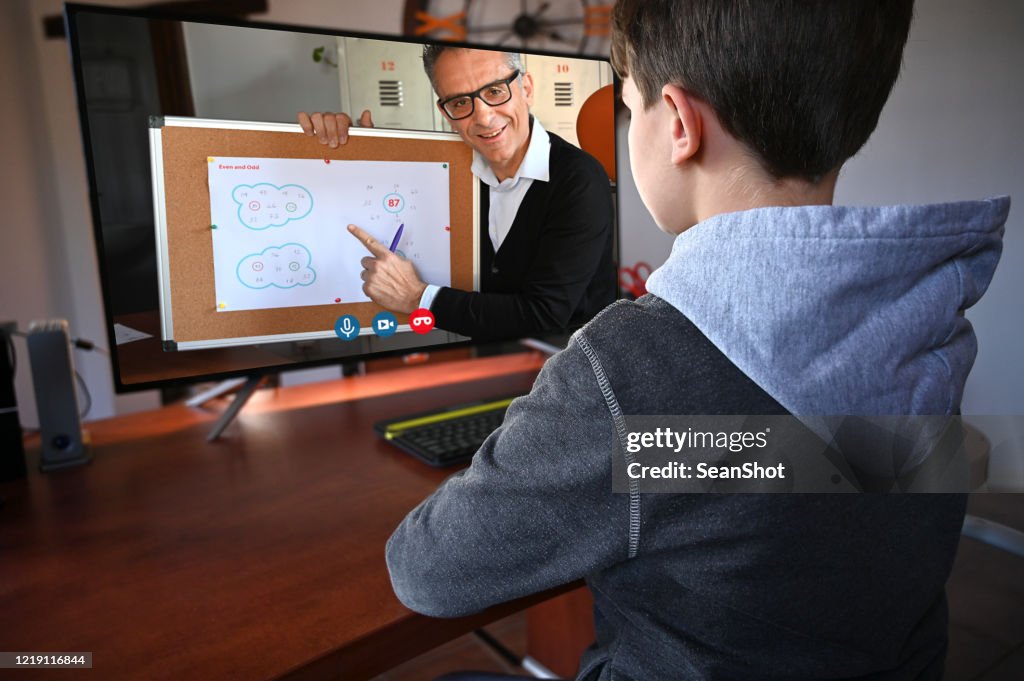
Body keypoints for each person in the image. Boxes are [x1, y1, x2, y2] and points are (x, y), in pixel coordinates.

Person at [384, 1, 1011, 680]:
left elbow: (427, 571)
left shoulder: (631, 369)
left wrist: (558, 429)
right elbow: (771, 471)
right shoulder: (924, 315)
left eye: (629, 107)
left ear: (678, 123)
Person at [299, 47, 615, 341]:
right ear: (446, 113)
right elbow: (382, 207)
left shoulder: (579, 179)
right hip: (483, 363)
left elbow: (544, 314)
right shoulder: (450, 172)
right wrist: (349, 148)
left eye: (494, 91)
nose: (483, 117)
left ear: (526, 88)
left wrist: (416, 297)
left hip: (570, 375)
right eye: (460, 102)